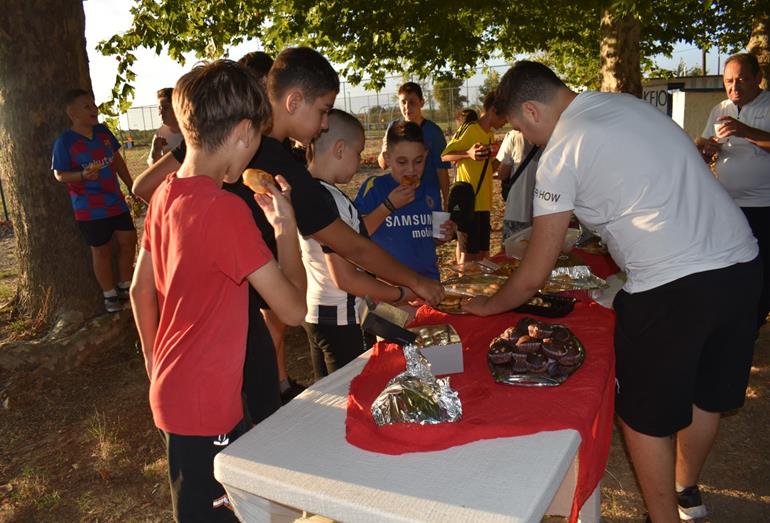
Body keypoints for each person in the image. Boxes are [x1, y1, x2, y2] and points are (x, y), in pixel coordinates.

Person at [465, 61, 760, 523]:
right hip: (742, 267)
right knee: (706, 396)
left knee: (643, 418)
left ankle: (663, 516)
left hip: (671, 287)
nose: (528, 139)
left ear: (531, 110)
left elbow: (532, 276)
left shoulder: (559, 154)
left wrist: (486, 306)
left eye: (521, 128)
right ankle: (686, 492)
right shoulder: (626, 105)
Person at [131, 48, 444, 390]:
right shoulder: (273, 171)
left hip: (206, 337)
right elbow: (352, 249)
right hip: (233, 338)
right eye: (323, 110)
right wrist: (414, 283)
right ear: (293, 102)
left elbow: (145, 192)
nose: (325, 123)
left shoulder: (191, 172)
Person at [129, 59, 306, 523]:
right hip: (206, 407)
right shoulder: (225, 210)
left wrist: (153, 362)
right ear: (245, 132)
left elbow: (139, 290)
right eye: (257, 140)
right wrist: (285, 228)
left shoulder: (164, 193)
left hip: (176, 391)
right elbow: (292, 309)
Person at [302, 109, 413, 379]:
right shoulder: (330, 200)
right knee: (351, 394)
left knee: (327, 394)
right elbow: (346, 278)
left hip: (315, 313)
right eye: (359, 152)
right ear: (340, 149)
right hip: (342, 319)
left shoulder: (306, 192)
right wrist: (398, 293)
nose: (361, 160)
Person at [696, 52, 770, 332]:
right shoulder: (720, 108)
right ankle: (729, 321)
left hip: (764, 206)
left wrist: (744, 131)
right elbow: (705, 149)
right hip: (728, 205)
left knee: (762, 271)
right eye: (729, 81)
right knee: (728, 267)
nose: (734, 87)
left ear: (758, 78)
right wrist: (706, 149)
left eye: (741, 79)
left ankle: (753, 324)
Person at [51, 89, 137, 313]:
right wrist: (81, 175)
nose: (94, 109)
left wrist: (131, 185)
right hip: (89, 208)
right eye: (87, 106)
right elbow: (59, 174)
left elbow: (117, 161)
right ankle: (110, 295)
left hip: (115, 201)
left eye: (94, 104)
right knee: (101, 251)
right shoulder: (65, 141)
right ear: (72, 113)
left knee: (128, 240)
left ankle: (125, 286)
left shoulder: (103, 132)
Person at [356, 120, 455, 281]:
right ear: (387, 158)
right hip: (390, 286)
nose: (411, 169)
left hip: (428, 282)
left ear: (426, 155)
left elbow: (428, 239)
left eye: (418, 161)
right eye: (402, 162)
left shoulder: (430, 189)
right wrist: (389, 205)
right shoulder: (374, 188)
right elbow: (356, 234)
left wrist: (443, 236)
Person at [441, 92, 507, 264]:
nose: (506, 122)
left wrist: (503, 155)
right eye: (504, 117)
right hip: (469, 203)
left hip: (484, 204)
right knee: (468, 256)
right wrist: (468, 153)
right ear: (493, 110)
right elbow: (445, 155)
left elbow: (489, 169)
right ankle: (461, 281)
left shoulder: (490, 135)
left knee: (483, 254)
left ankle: (477, 281)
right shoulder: (470, 129)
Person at [377, 82, 451, 210]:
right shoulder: (393, 128)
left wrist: (446, 201)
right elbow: (383, 164)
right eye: (403, 102)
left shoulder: (433, 132)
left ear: (421, 103)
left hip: (427, 198)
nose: (407, 107)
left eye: (412, 102)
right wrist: (385, 146)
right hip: (400, 197)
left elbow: (442, 170)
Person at [495, 129, 540, 240]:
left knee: (513, 248)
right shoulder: (552, 134)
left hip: (517, 209)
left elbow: (502, 173)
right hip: (544, 212)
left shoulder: (513, 135)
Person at [147, 88, 183, 166]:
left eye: (166, 108)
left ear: (178, 108)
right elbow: (153, 167)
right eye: (159, 108)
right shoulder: (160, 134)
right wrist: (155, 151)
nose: (161, 112)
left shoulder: (192, 133)